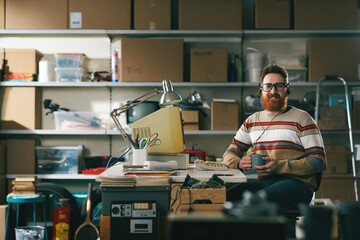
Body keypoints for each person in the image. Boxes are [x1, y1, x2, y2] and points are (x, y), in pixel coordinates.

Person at [223, 64, 326, 212]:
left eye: (279, 86)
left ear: (287, 89)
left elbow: (318, 162)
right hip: (267, 183)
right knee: (222, 198)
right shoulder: (252, 121)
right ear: (261, 90)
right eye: (268, 86)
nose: (273, 91)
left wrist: (279, 165)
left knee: (254, 203)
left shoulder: (303, 118)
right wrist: (239, 162)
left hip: (298, 185)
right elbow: (229, 153)